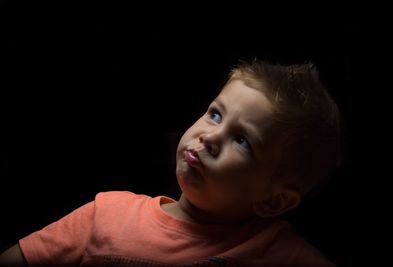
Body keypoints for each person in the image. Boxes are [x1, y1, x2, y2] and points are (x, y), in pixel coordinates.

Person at [0, 58, 342, 266]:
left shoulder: (278, 253)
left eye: (242, 140)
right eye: (215, 114)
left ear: (274, 200)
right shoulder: (106, 214)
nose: (210, 136)